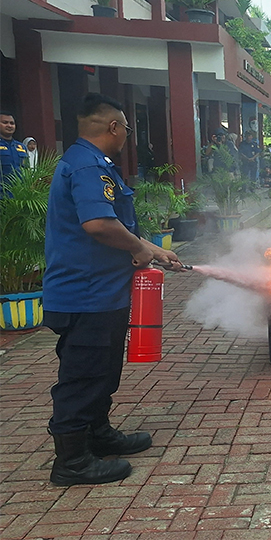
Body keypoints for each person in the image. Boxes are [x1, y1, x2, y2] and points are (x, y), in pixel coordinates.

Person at [43, 93, 183, 487]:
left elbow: (118, 227)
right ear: (113, 127)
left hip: (101, 292)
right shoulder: (89, 166)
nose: (127, 135)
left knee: (102, 372)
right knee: (83, 376)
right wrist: (140, 249)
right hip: (85, 294)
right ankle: (71, 463)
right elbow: (99, 225)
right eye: (126, 128)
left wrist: (154, 251)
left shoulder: (89, 162)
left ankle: (97, 435)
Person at [0, 110, 28, 196]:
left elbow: (27, 171)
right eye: (5, 122)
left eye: (12, 123)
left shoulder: (21, 147)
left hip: (20, 197)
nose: (9, 125)